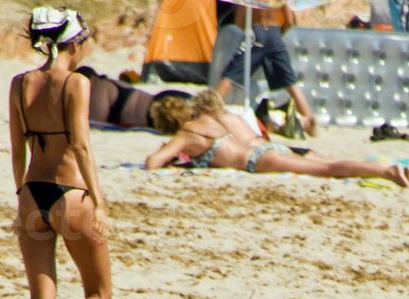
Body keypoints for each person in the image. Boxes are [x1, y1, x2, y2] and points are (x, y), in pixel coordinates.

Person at [9, 6, 111, 299]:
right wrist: (99, 203)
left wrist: (19, 196)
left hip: (31, 193)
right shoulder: (75, 82)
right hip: (70, 196)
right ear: (75, 44)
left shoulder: (20, 83)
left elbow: (16, 150)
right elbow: (80, 145)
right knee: (99, 293)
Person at [145, 90, 409, 187]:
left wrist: (168, 155)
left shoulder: (184, 135)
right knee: (328, 163)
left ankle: (387, 171)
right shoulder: (212, 118)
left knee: (327, 170)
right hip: (267, 147)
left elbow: (152, 163)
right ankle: (385, 169)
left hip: (258, 160)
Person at [215, 5, 317, 136]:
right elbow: (290, 22)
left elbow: (239, 23)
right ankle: (308, 120)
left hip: (255, 33)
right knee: (290, 83)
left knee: (230, 76)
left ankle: (209, 109)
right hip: (275, 34)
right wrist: (277, 36)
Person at [76, 64, 191, 129]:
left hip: (158, 111)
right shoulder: (109, 83)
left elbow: (97, 124)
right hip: (162, 100)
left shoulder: (99, 87)